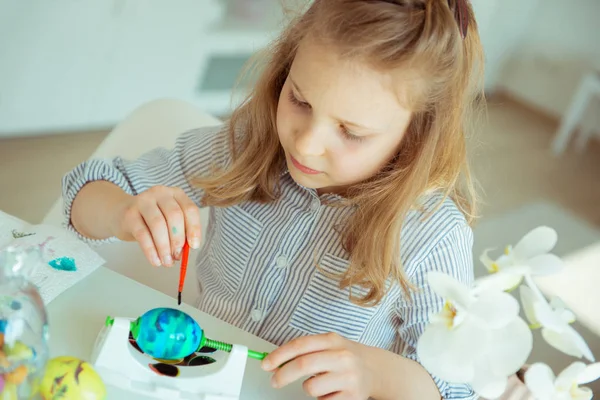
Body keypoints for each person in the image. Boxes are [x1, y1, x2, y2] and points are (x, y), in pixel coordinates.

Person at [62, 0, 486, 398]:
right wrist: (122, 212)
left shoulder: (433, 234)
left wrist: (373, 371)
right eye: (299, 100)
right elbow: (84, 191)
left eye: (350, 132)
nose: (305, 146)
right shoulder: (247, 145)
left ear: (415, 136)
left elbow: (452, 389)